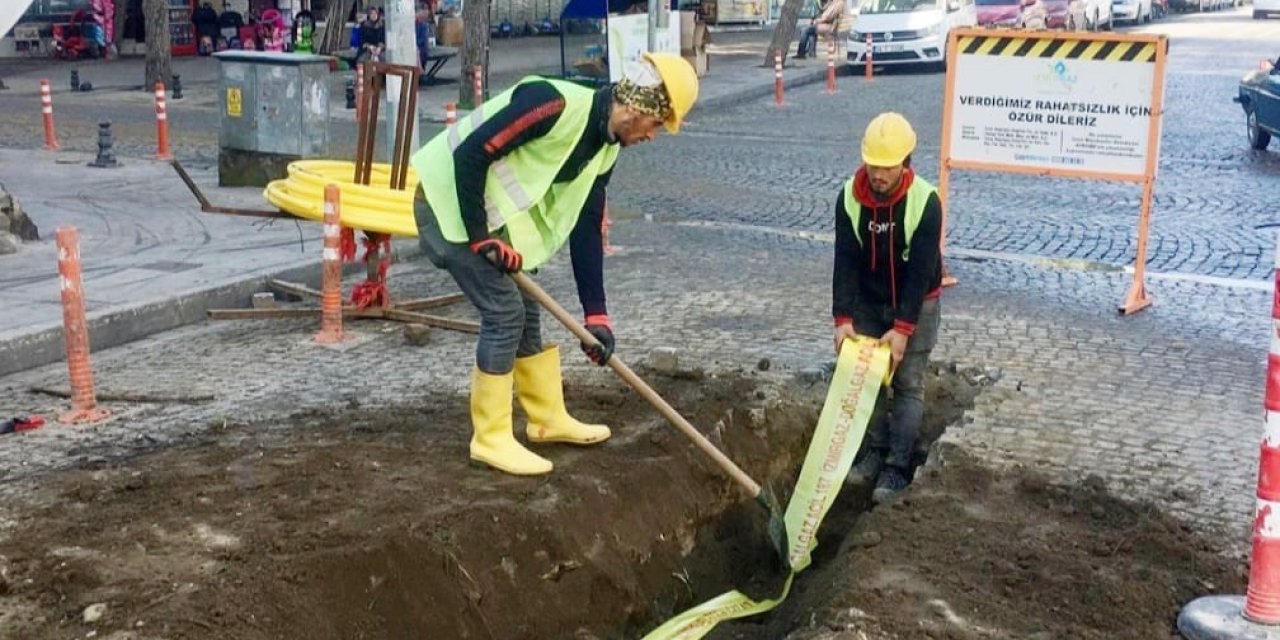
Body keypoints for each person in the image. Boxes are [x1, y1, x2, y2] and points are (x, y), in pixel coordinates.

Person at [409, 53, 699, 476]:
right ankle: (490, 439)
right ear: (638, 108)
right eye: (657, 125)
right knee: (504, 312)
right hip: (446, 204)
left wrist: (595, 316)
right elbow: (471, 153)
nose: (654, 136)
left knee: (526, 309)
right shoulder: (552, 103)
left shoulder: (606, 148)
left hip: (487, 218)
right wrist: (480, 236)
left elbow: (586, 224)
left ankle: (546, 420)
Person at [834, 112, 942, 504]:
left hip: (916, 302)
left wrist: (903, 329)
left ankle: (897, 466)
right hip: (868, 299)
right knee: (867, 380)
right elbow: (845, 260)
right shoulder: (848, 197)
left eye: (887, 166)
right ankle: (874, 451)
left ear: (906, 162)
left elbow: (921, 274)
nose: (879, 174)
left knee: (908, 383)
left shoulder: (925, 203)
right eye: (873, 164)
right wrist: (843, 318)